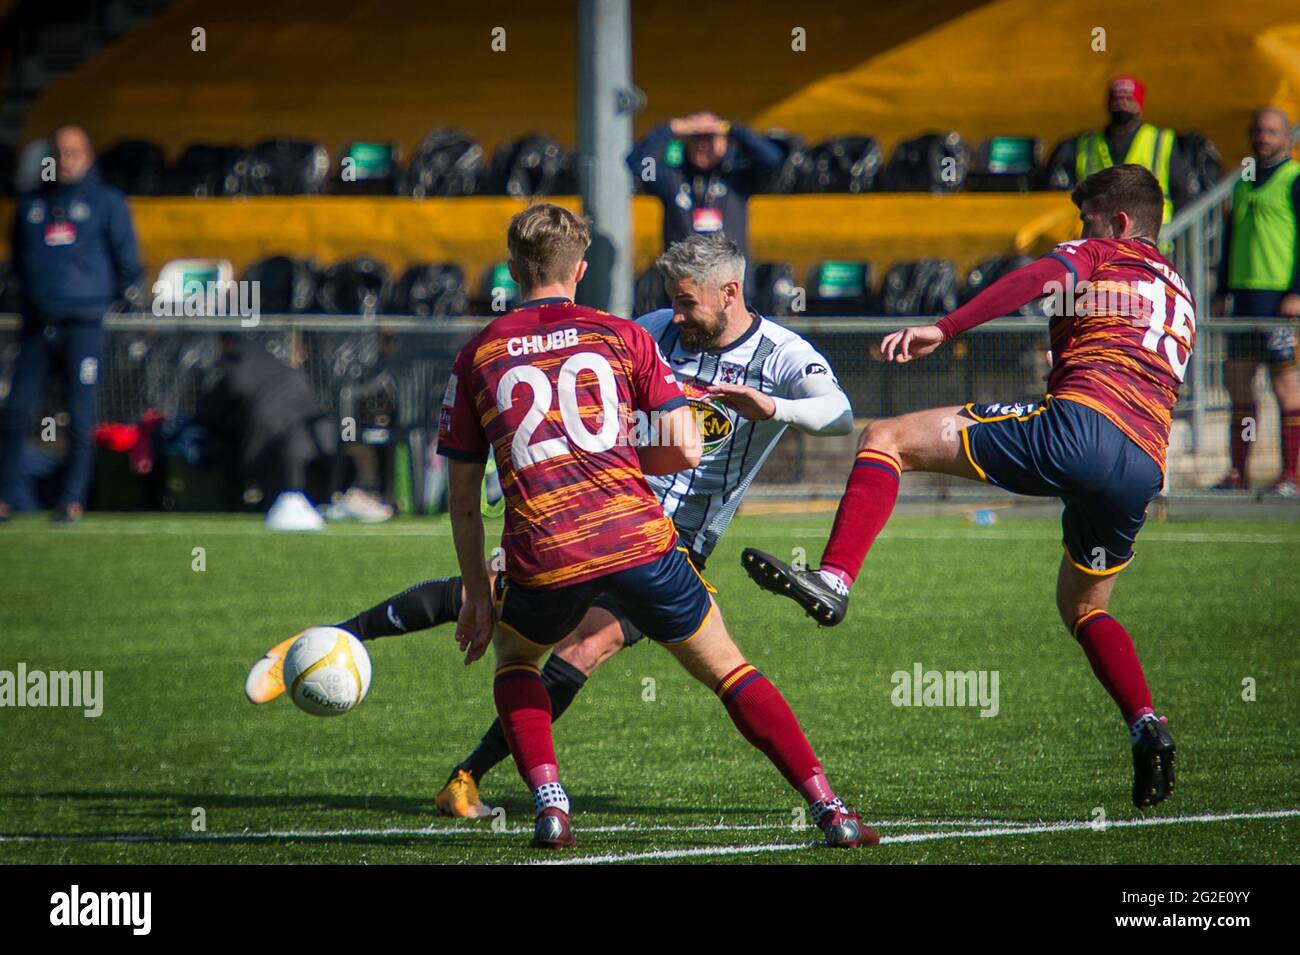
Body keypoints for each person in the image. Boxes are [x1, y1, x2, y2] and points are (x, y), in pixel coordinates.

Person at [245, 231, 860, 841]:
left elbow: (838, 413)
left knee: (558, 644)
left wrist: (772, 407)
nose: (676, 313)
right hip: (623, 522)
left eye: (688, 302)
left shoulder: (779, 353)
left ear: (730, 292)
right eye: (671, 298)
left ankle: (485, 779)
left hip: (664, 537)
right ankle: (341, 655)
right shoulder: (646, 331)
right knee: (483, 600)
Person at [742, 165, 1188, 810]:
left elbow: (1038, 278)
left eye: (1086, 217)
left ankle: (835, 579)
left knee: (887, 437)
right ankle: (1146, 721)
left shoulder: (1099, 253)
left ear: (1117, 223)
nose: (1077, 229)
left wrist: (944, 328)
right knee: (1086, 608)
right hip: (1143, 465)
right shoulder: (1179, 289)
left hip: (1081, 427)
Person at [0, 125, 142, 524]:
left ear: (88, 156)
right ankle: (6, 497)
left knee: (80, 416)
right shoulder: (30, 205)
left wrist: (109, 300)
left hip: (84, 325)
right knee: (16, 412)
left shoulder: (107, 203)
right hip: (37, 325)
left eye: (74, 152)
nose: (66, 160)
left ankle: (72, 500)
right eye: (60, 153)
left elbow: (128, 262)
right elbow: (17, 259)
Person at [1212, 107, 1300, 494]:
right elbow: (1230, 237)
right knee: (1239, 385)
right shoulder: (1244, 178)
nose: (1263, 137)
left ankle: (1291, 476)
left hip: (1279, 298)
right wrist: (1221, 290)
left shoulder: (1295, 179)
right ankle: (1238, 473)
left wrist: (1297, 291)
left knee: (1286, 385)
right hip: (1243, 299)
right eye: (1259, 131)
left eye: (1272, 131)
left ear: (1287, 139)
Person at [628, 110, 782, 258]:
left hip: (728, 278)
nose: (702, 145)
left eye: (709, 137)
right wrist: (672, 128)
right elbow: (640, 163)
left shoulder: (737, 176)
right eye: (696, 138)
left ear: (723, 141)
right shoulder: (672, 179)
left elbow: (774, 162)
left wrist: (732, 129)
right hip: (685, 278)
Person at [1046, 76, 1190, 225]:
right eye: (1117, 100)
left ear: (1140, 106)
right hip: (1099, 235)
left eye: (1129, 100)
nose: (1122, 104)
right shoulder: (1084, 144)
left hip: (1153, 236)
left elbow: (1182, 192)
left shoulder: (1162, 140)